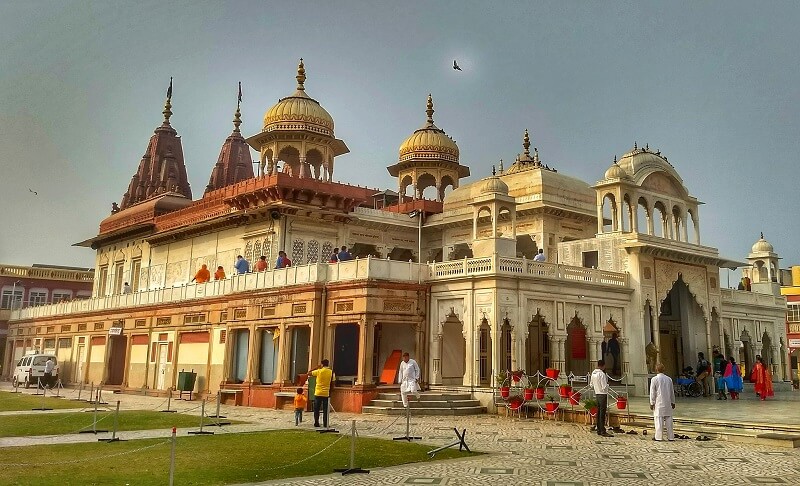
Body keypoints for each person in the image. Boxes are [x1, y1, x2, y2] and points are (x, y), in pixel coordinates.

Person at [649, 362, 676, 441]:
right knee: (669, 420)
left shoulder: (654, 379)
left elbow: (652, 392)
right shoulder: (669, 379)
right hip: (667, 402)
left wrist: (652, 402)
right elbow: (672, 392)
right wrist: (673, 402)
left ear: (656, 370)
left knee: (658, 420)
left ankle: (658, 437)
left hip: (659, 402)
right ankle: (670, 437)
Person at [590, 360, 612, 437]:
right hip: (602, 394)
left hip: (597, 393)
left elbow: (591, 384)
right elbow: (604, 386)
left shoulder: (593, 373)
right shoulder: (601, 374)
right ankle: (602, 430)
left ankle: (599, 429)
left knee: (598, 412)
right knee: (602, 413)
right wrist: (608, 385)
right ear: (603, 365)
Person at [310, 359, 333, 428]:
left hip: (318, 392)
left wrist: (317, 367)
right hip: (326, 393)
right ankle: (325, 423)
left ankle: (316, 422)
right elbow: (333, 383)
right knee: (325, 409)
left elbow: (308, 373)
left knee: (316, 409)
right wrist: (330, 392)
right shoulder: (331, 372)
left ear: (322, 364)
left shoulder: (319, 371)